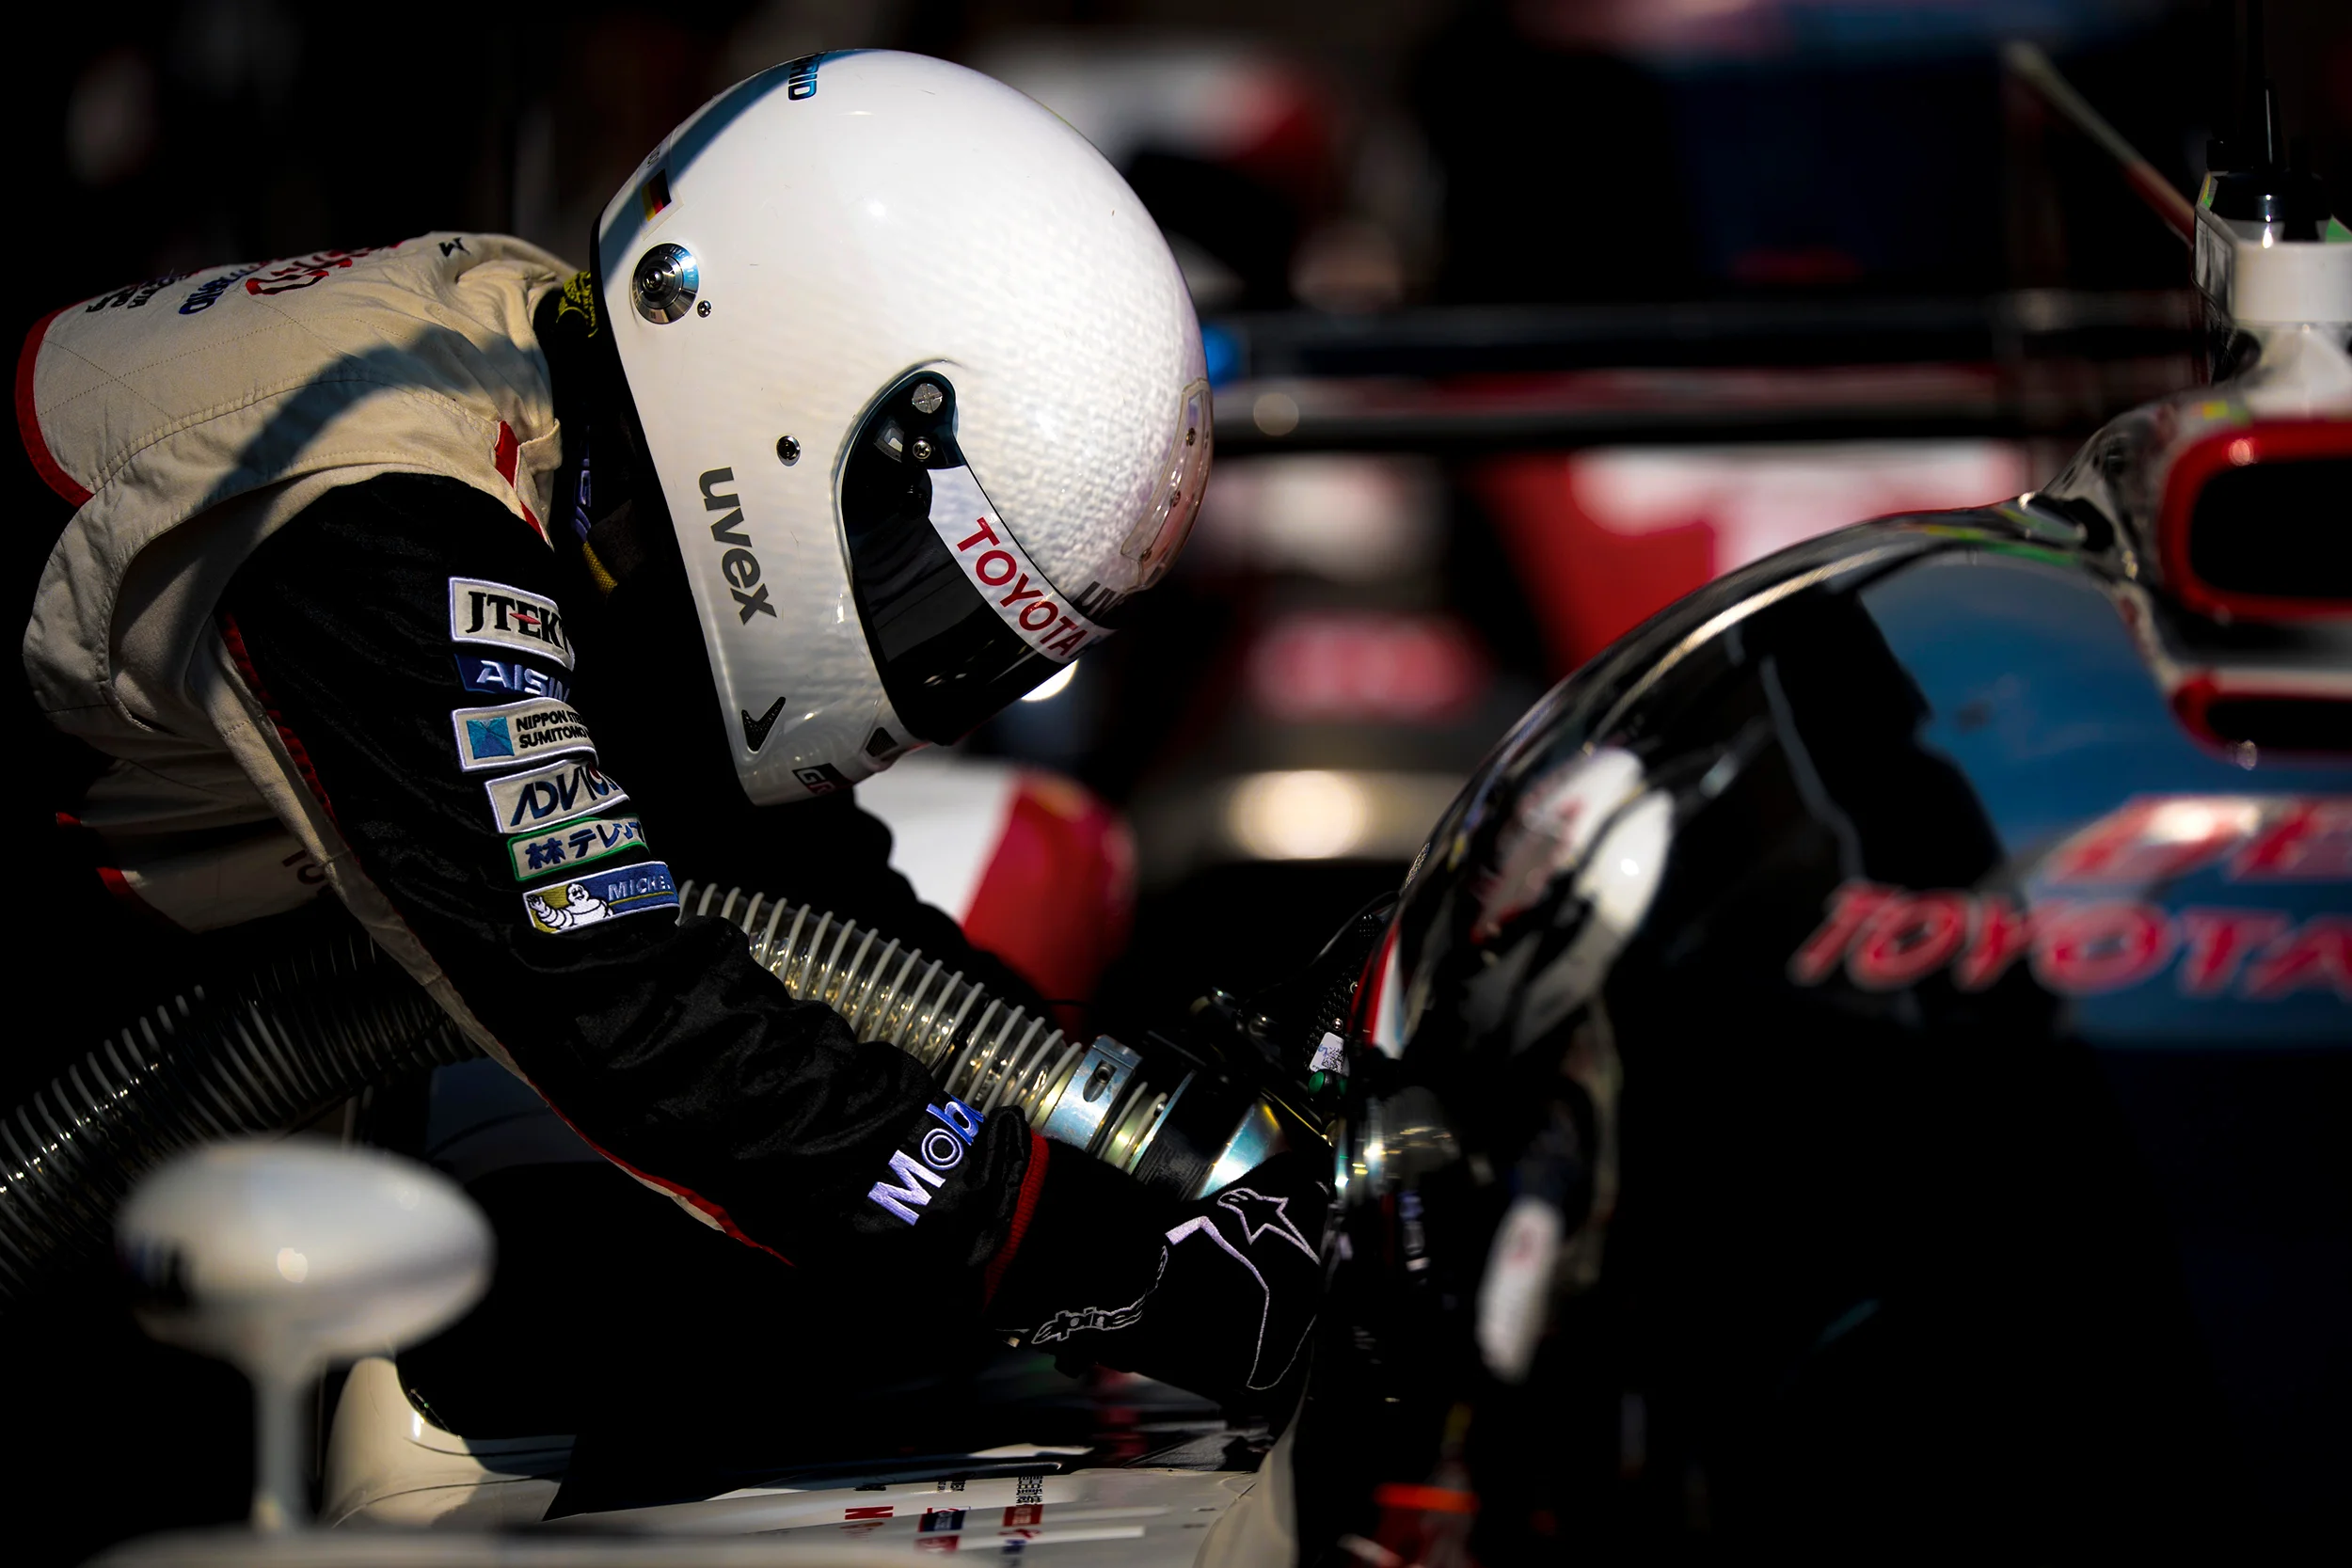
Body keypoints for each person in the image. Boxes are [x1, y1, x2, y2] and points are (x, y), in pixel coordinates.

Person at [15, 51, 1323, 1411]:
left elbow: (815, 916)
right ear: (804, 423)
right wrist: (1084, 1245)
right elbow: (619, 1004)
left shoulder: (590, 445)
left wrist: (1159, 1138)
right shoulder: (382, 517)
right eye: (928, 599)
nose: (933, 677)